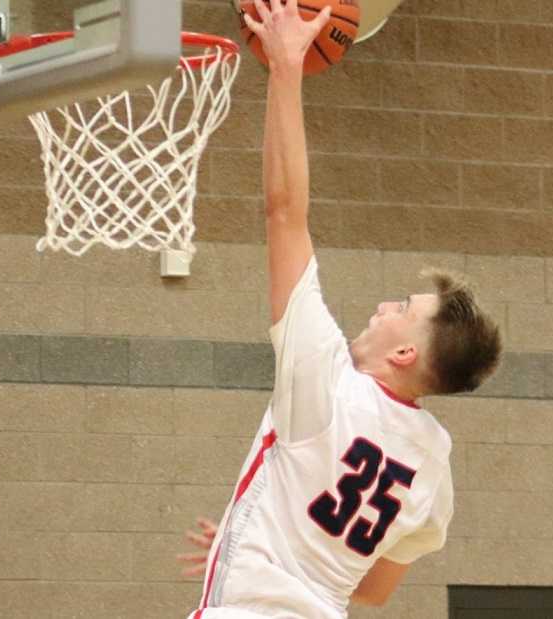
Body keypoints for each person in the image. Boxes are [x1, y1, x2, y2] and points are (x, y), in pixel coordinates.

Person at [178, 1, 502, 617]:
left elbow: (284, 211)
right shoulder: (433, 465)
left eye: (402, 308)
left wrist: (286, 67)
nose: (384, 307)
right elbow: (374, 590)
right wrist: (283, 550)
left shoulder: (325, 384)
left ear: (405, 353)